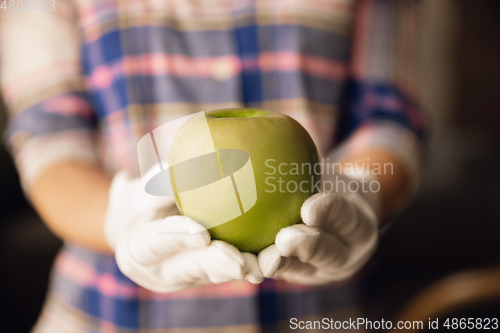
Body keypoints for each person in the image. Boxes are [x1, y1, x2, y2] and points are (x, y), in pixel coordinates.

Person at [0, 0, 426, 331]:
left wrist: (366, 194)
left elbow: (387, 118)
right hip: (106, 315)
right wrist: (117, 219)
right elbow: (49, 138)